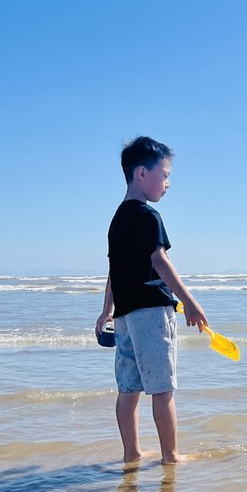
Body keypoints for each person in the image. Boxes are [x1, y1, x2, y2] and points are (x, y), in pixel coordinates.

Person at [95, 136, 208, 464]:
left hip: (127, 317)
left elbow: (114, 271)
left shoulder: (116, 221)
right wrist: (189, 301)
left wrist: (107, 311)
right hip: (151, 313)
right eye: (165, 174)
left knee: (128, 389)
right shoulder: (148, 217)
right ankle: (170, 456)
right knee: (162, 388)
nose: (168, 183)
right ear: (142, 173)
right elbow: (160, 262)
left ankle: (132, 452)